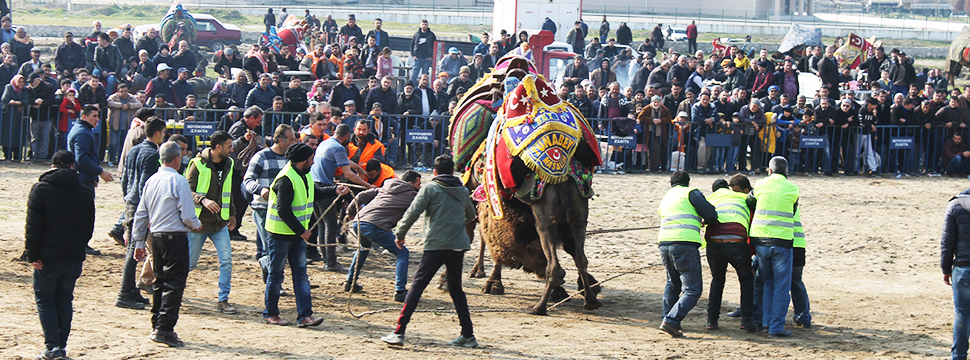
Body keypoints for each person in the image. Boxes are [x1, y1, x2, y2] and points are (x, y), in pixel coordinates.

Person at [380, 155, 478, 347]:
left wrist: (399, 234)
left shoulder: (430, 188)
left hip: (437, 244)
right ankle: (468, 335)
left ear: (434, 172)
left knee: (417, 287)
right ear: (452, 172)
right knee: (456, 289)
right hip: (458, 245)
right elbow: (471, 215)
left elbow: (412, 212)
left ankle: (399, 331)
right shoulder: (462, 190)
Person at [262, 142, 346, 327]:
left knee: (301, 275)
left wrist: (334, 190)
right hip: (280, 235)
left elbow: (313, 192)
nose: (313, 161)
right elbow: (283, 210)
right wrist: (302, 231)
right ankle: (271, 314)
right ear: (302, 161)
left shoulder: (304, 174)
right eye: (311, 158)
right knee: (276, 275)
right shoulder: (285, 179)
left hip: (296, 236)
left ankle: (305, 316)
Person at [25, 150, 96, 360]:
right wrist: (79, 248)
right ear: (73, 166)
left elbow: (33, 226)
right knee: (65, 300)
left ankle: (52, 346)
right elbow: (88, 227)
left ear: (52, 166)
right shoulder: (84, 191)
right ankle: (61, 347)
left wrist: (33, 254)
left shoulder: (40, 189)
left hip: (47, 257)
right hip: (73, 256)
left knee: (45, 300)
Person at [131, 141, 202, 347]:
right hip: (175, 237)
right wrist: (196, 224)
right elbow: (188, 215)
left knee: (160, 282)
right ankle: (165, 328)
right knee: (174, 284)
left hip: (156, 236)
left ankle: (157, 324)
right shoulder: (179, 181)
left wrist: (138, 241)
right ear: (177, 158)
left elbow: (141, 213)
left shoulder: (152, 180)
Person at [656, 170, 718, 338]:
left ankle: (666, 318)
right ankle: (671, 320)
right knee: (692, 290)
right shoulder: (691, 192)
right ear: (688, 182)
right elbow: (711, 214)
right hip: (684, 244)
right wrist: (705, 221)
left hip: (664, 243)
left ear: (671, 183)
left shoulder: (667, 197)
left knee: (672, 283)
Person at [184, 130, 239, 315]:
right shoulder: (197, 164)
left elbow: (228, 191)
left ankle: (223, 299)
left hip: (219, 223)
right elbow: (186, 191)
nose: (232, 150)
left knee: (226, 261)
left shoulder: (229, 164)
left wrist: (231, 214)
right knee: (190, 263)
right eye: (229, 146)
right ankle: (173, 290)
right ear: (218, 147)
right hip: (198, 224)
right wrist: (203, 200)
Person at [115, 118, 166, 309]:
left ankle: (131, 290)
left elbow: (125, 179)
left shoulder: (134, 150)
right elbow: (147, 186)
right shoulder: (153, 154)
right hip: (140, 205)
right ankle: (124, 293)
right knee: (134, 250)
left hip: (130, 201)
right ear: (158, 133)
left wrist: (127, 198)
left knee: (134, 248)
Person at [748, 156, 799, 338]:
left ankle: (766, 323)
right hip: (782, 241)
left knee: (768, 283)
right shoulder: (793, 188)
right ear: (786, 171)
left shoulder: (760, 184)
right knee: (781, 287)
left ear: (769, 170)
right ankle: (776, 327)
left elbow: (750, 202)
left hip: (761, 241)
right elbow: (792, 210)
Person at [311, 124, 375, 272]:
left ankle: (327, 258)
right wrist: (367, 186)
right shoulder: (338, 147)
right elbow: (348, 174)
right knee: (331, 226)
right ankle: (331, 263)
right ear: (347, 136)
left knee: (322, 225)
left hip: (314, 187)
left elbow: (344, 161)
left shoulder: (326, 143)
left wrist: (358, 167)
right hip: (325, 189)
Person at [244, 124, 297, 281]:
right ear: (281, 141)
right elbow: (247, 180)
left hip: (283, 209)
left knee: (278, 249)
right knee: (272, 248)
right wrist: (260, 189)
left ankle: (268, 271)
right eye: (291, 139)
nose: (294, 141)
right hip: (263, 208)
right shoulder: (261, 157)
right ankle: (275, 282)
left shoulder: (290, 159)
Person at [703, 176, 757, 332]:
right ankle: (746, 320)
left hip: (713, 242)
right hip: (736, 241)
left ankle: (712, 321)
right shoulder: (743, 196)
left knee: (717, 280)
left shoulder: (711, 197)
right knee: (746, 279)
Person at [943, 186, 970, 360]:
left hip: (962, 266)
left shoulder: (955, 205)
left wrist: (945, 269)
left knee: (962, 313)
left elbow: (947, 242)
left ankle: (958, 356)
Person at [790, 208, 811, 328]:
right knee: (796, 283)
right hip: (799, 246)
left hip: (782, 244)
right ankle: (804, 317)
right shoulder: (792, 202)